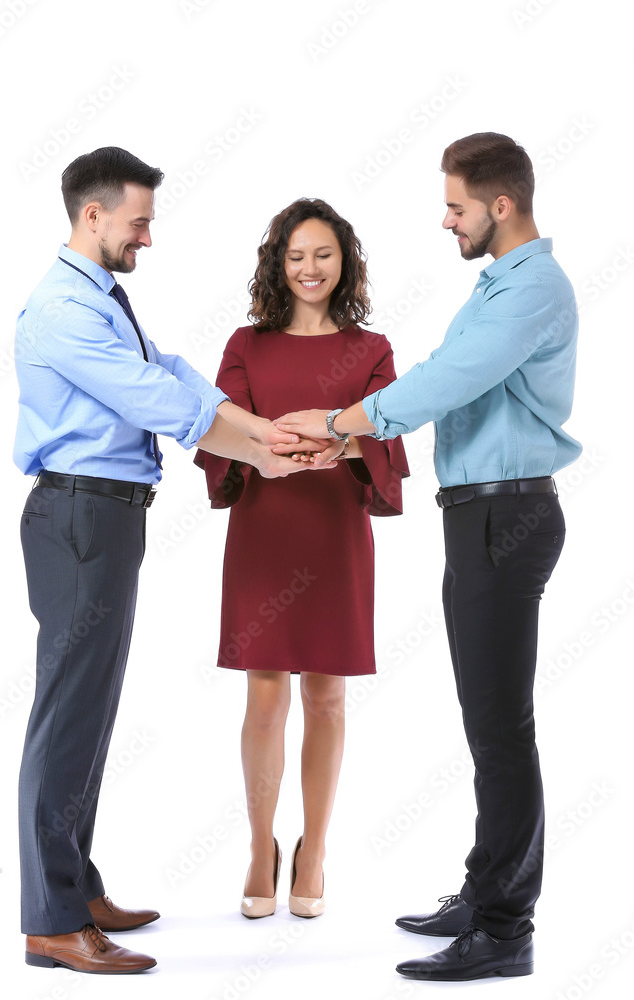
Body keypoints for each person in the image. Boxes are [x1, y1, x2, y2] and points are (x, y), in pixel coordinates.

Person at [14, 147, 329, 975]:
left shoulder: (101, 299)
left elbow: (169, 370)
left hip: (106, 516)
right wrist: (258, 445)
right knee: (68, 714)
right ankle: (50, 919)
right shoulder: (61, 308)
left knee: (90, 711)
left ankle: (74, 888)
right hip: (80, 513)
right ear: (93, 216)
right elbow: (146, 396)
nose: (147, 236)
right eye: (138, 221)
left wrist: (255, 432)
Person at [276, 133, 581, 980]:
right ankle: (485, 888)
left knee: (500, 729)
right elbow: (446, 370)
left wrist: (340, 423)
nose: (446, 220)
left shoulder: (534, 288)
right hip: (479, 517)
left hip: (505, 518)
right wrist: (345, 440)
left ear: (501, 205)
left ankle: (502, 930)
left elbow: (451, 381)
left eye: (456, 206)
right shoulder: (498, 285)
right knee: (489, 725)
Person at [195, 198, 408, 920]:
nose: (309, 268)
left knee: (326, 697)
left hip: (334, 532)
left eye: (322, 254)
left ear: (342, 260)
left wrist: (338, 443)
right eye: (295, 255)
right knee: (262, 699)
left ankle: (313, 847)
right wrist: (272, 448)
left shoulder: (370, 348)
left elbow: (387, 429)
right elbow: (221, 425)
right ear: (276, 263)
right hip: (265, 527)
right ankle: (261, 845)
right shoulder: (246, 344)